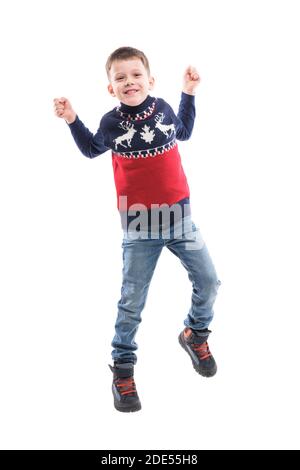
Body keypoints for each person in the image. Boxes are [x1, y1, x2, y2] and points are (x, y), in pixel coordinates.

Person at [53, 46, 221, 413]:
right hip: (140, 225)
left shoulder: (162, 109)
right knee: (132, 302)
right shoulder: (112, 124)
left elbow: (186, 131)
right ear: (111, 88)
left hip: (180, 218)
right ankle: (123, 369)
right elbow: (91, 149)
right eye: (120, 77)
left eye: (135, 75)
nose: (129, 81)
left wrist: (188, 94)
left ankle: (196, 333)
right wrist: (72, 119)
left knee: (209, 281)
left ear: (150, 80)